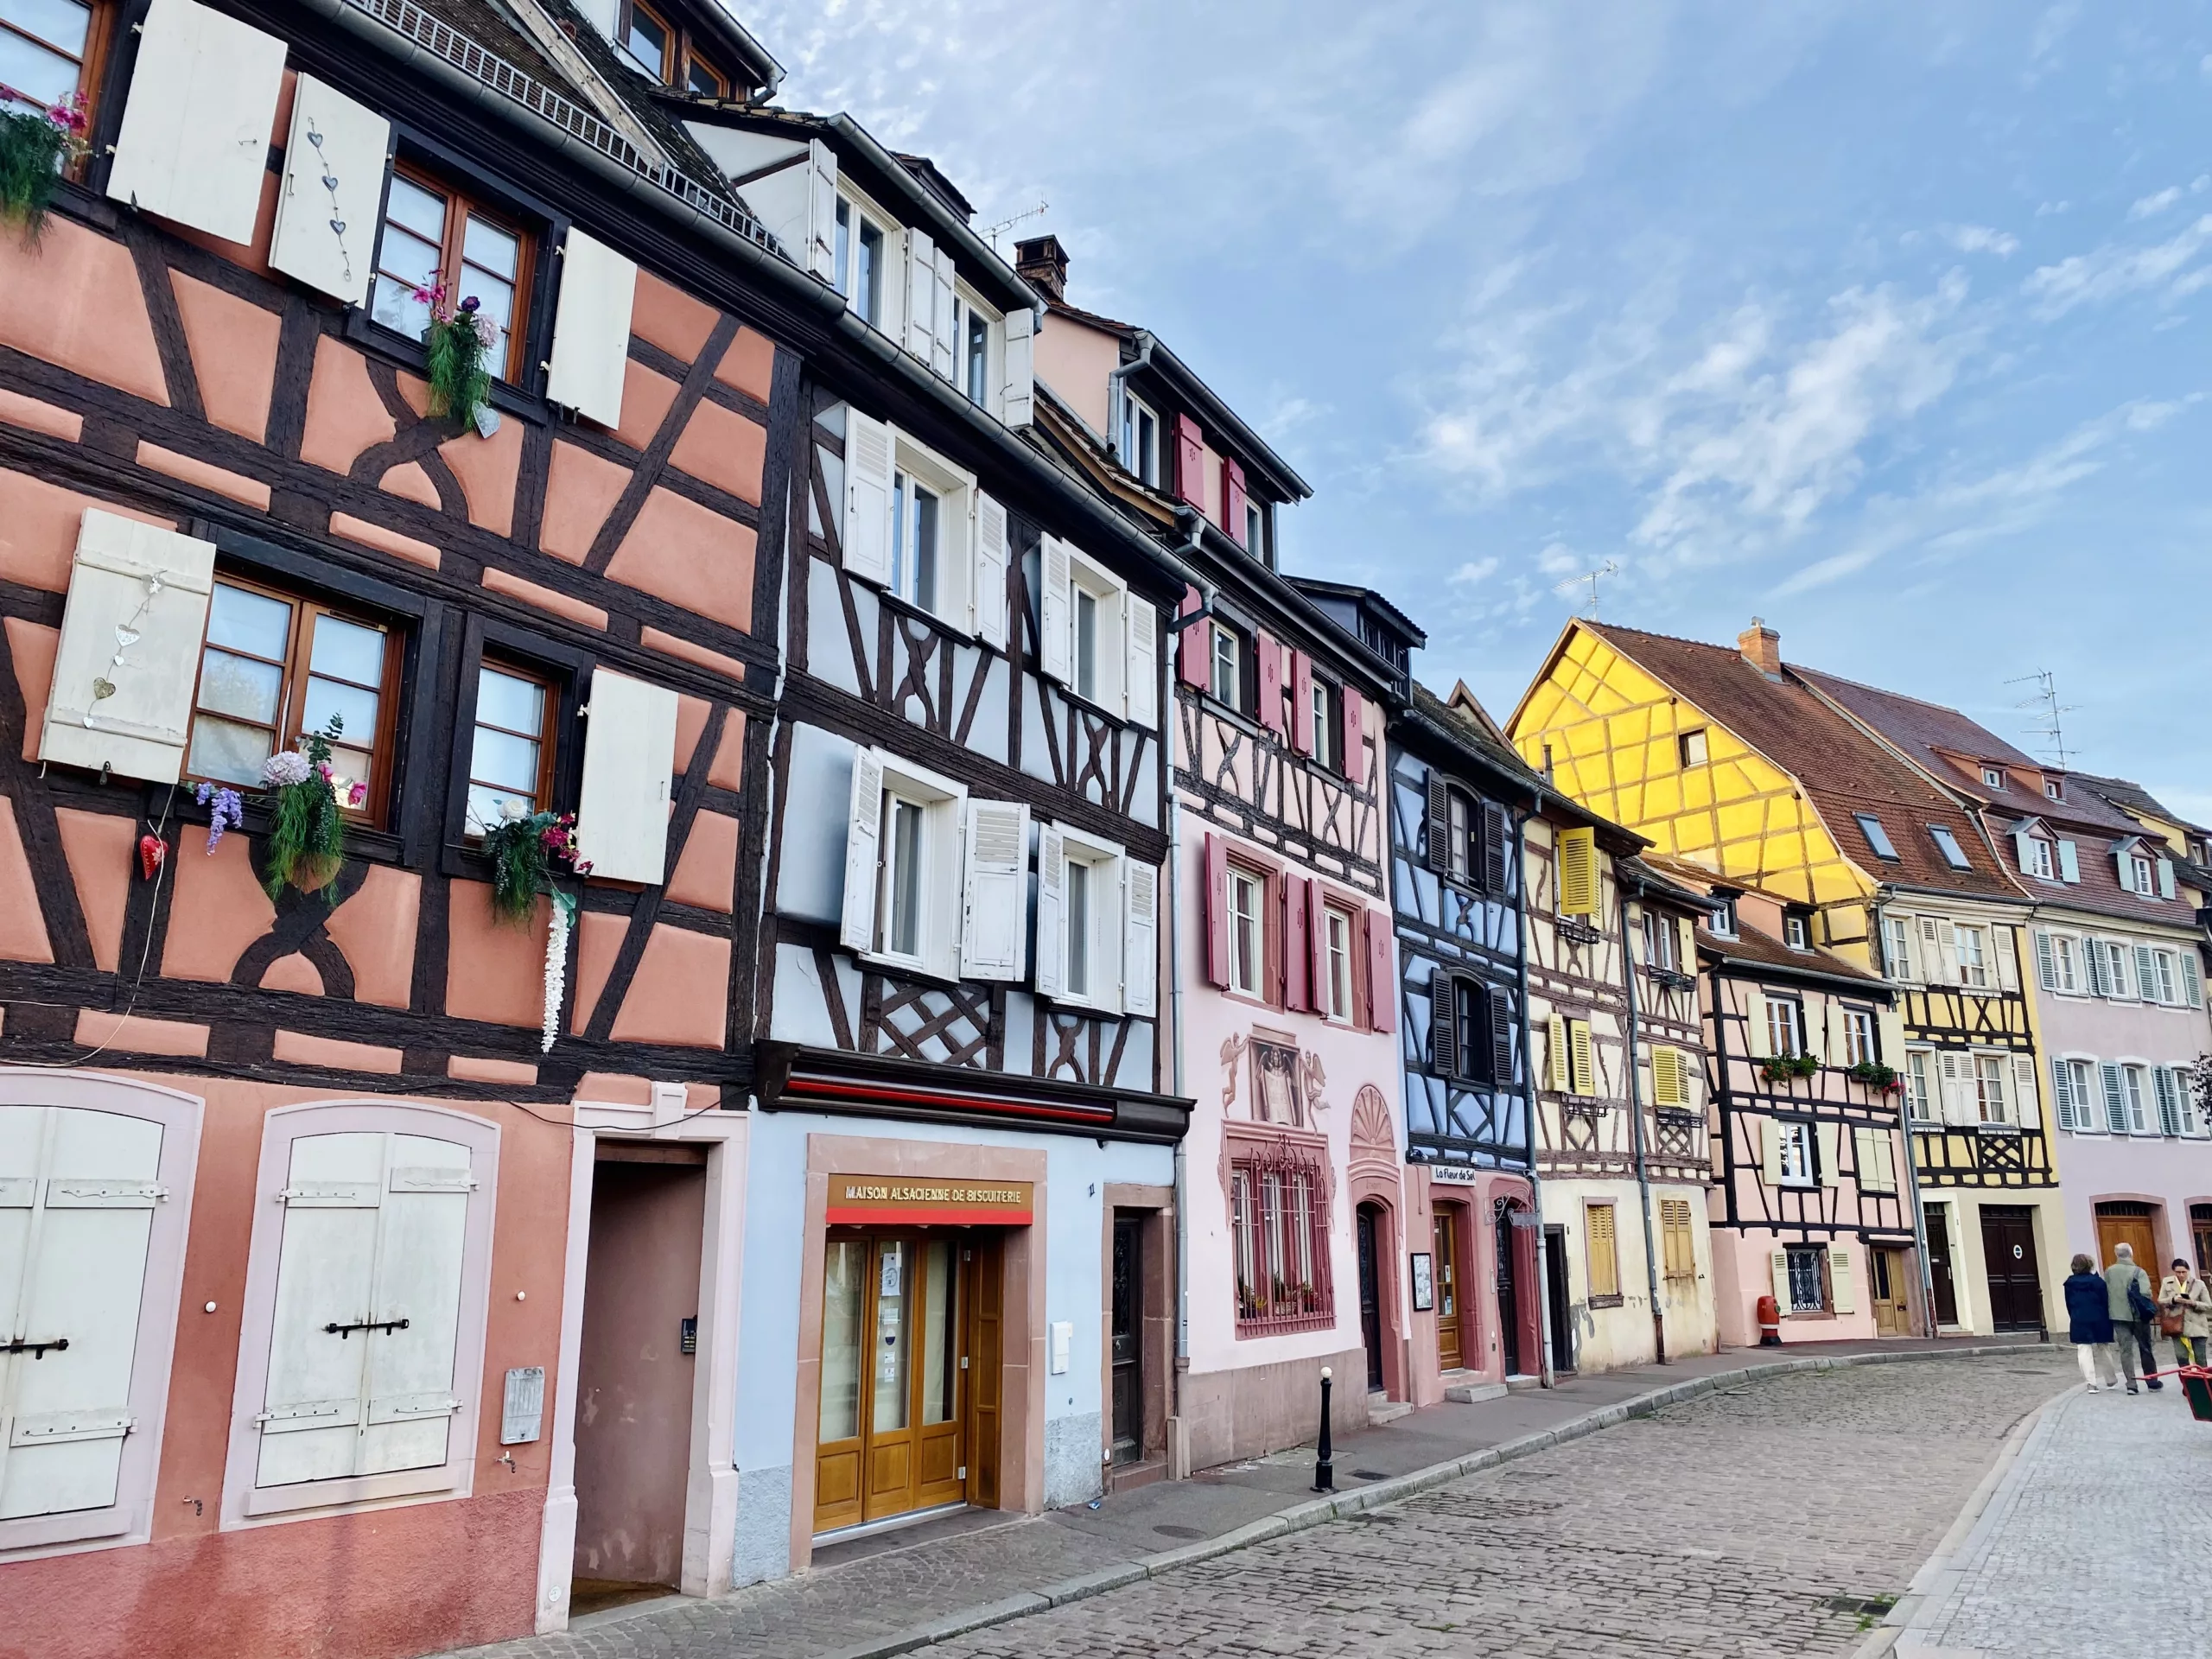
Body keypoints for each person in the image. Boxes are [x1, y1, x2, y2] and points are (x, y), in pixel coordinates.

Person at [2104, 1243, 2160, 1394]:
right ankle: (2152, 1381)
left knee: (2125, 1350)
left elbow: (2106, 1291)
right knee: (2145, 1347)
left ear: (2117, 1255)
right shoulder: (2139, 1271)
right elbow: (2145, 1293)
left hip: (2118, 1315)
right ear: (2131, 1254)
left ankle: (2131, 1384)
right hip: (2138, 1316)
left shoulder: (2109, 1271)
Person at [2065, 1254, 2120, 1391]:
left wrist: (2074, 1316)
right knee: (2104, 1348)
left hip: (2079, 1318)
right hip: (2099, 1317)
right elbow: (2105, 1300)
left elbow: (2069, 1303)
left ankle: (2091, 1383)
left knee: (2083, 1350)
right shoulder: (2099, 1282)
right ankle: (2111, 1381)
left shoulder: (2070, 1284)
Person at [2158, 1257, 2210, 1370]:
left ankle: (2205, 1386)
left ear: (2188, 1271)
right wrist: (2173, 1299)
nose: (2181, 1275)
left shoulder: (2199, 1284)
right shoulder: (2168, 1282)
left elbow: (2208, 1305)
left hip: (2197, 1325)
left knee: (2200, 1359)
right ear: (2174, 1271)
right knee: (2181, 1357)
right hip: (2177, 1326)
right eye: (2178, 1272)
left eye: (2183, 1272)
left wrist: (2193, 1302)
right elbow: (2161, 1300)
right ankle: (2188, 1385)